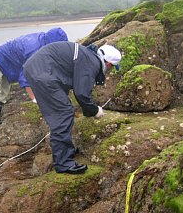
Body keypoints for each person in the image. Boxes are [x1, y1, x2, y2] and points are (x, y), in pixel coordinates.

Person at [23, 42, 122, 174]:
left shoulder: (87, 55)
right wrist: (95, 110)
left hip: (38, 68)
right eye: (111, 67)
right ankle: (64, 163)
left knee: (60, 110)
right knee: (63, 113)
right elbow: (81, 93)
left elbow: (76, 84)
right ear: (109, 63)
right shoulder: (92, 62)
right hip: (44, 72)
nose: (109, 69)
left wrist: (88, 109)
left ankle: (64, 149)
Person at [0, 27, 68, 137]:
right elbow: (25, 75)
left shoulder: (44, 41)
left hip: (9, 61)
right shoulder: (34, 48)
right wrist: (34, 99)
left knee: (4, 91)